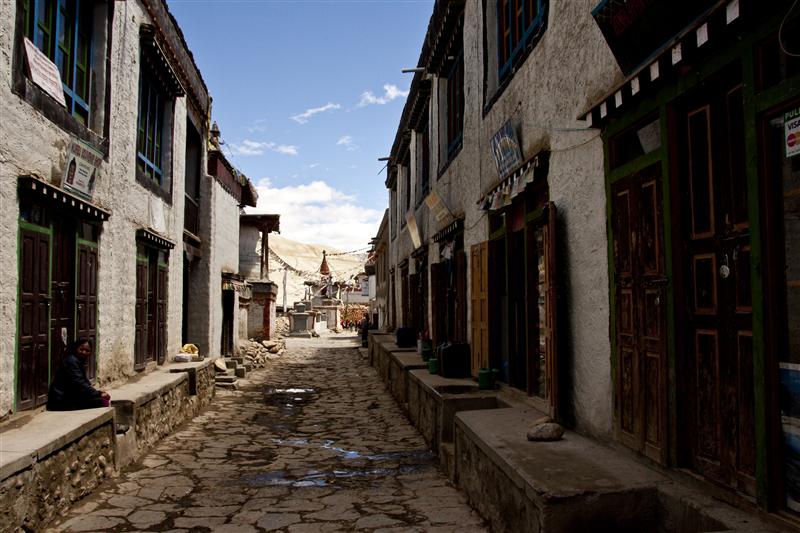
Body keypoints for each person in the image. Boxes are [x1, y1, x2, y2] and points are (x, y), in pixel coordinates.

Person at [47, 338, 110, 411]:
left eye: (87, 351)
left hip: (68, 397)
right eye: (81, 349)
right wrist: (98, 394)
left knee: (99, 398)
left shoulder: (76, 361)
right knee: (103, 402)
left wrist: (98, 392)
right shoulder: (71, 361)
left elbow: (85, 383)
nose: (84, 352)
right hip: (60, 401)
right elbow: (80, 384)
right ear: (76, 348)